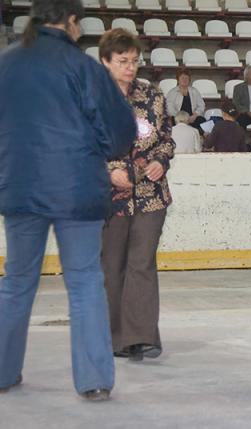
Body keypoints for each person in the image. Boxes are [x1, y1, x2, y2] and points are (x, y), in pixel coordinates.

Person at [0, 0, 137, 401]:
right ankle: (93, 380)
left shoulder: (6, 63)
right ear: (72, 22)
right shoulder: (84, 68)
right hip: (76, 190)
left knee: (17, 282)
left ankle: (4, 370)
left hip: (21, 188)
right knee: (84, 284)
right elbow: (118, 132)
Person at [99, 28, 175, 362]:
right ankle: (115, 338)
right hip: (109, 197)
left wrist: (161, 160)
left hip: (151, 195)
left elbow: (167, 138)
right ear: (105, 61)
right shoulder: (91, 98)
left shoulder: (153, 96)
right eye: (122, 61)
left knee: (141, 263)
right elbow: (80, 146)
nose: (130, 67)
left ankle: (142, 336)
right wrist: (109, 172)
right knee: (111, 265)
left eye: (134, 61)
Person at [165, 68, 207, 134]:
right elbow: (170, 109)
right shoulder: (172, 92)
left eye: (186, 78)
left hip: (192, 118)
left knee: (202, 120)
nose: (184, 80)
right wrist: (181, 119)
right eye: (182, 78)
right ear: (178, 80)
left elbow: (202, 105)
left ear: (189, 80)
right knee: (169, 121)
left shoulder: (194, 91)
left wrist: (195, 115)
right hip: (177, 118)